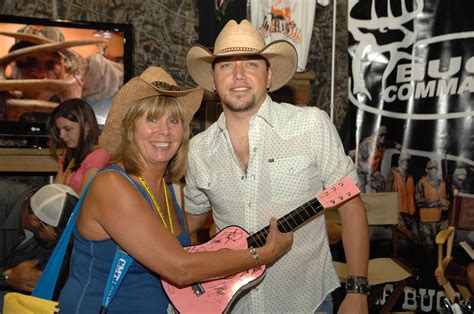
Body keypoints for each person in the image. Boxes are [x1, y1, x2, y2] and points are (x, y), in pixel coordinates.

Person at [57, 66, 293, 313]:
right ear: (130, 129)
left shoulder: (169, 188)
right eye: (151, 119)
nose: (165, 131)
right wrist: (262, 255)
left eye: (174, 120)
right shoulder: (112, 185)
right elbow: (180, 268)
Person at [184, 20, 369, 313]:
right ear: (214, 80)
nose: (239, 76)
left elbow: (351, 206)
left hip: (306, 301)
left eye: (251, 65)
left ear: (268, 76)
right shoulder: (198, 150)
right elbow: (188, 222)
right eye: (226, 66)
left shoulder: (311, 125)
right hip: (230, 304)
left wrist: (357, 291)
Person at [0, 25, 123, 122]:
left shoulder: (85, 90)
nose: (39, 73)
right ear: (13, 69)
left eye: (50, 64)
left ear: (65, 67)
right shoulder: (4, 97)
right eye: (26, 62)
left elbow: (121, 77)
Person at [0, 181, 78, 303]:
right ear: (35, 221)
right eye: (59, 235)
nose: (65, 241)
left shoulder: (51, 236)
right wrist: (7, 277)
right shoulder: (3, 202)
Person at [47, 98, 111, 195]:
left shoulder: (99, 156)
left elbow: (82, 204)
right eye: (59, 129)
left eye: (67, 129)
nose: (61, 135)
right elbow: (56, 190)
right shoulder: (71, 152)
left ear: (87, 126)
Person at [415, 160, 449, 251]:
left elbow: (447, 199)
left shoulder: (443, 183)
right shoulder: (421, 182)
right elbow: (418, 201)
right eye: (430, 168)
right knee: (428, 249)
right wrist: (438, 203)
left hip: (440, 221)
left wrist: (447, 204)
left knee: (440, 248)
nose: (433, 170)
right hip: (426, 222)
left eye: (435, 168)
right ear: (427, 170)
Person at [386, 151, 416, 232]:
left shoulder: (410, 177)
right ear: (399, 161)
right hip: (396, 211)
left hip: (408, 213)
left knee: (407, 238)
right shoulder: (392, 174)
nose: (406, 163)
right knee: (401, 235)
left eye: (408, 161)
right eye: (403, 160)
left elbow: (413, 196)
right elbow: (387, 193)